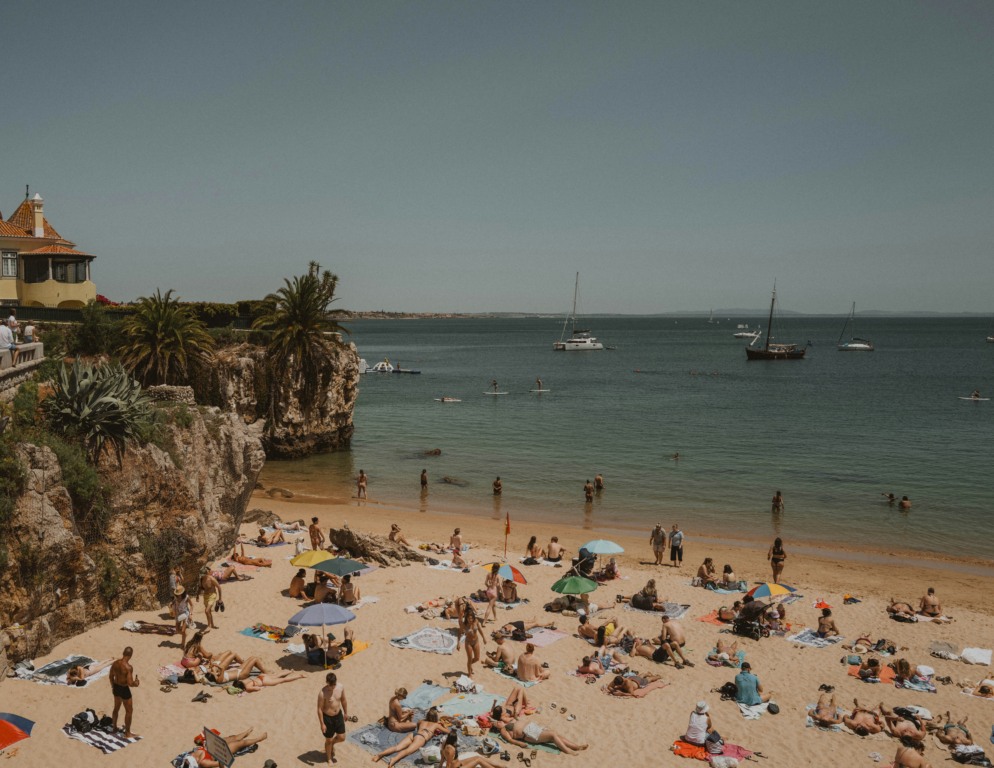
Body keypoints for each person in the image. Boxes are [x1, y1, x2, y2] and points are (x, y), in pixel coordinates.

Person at [375, 708, 448, 767]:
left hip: (414, 734)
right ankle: (394, 759)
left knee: (397, 747)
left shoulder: (421, 721)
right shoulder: (436, 725)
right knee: (407, 751)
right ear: (435, 717)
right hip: (421, 738)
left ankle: (379, 755)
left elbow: (419, 727)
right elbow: (448, 732)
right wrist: (443, 724)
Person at [496, 716, 587, 756]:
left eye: (497, 721)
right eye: (496, 724)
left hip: (533, 728)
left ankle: (575, 746)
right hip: (528, 734)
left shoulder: (508, 720)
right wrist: (520, 744)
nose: (498, 722)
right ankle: (567, 751)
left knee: (556, 734)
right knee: (552, 735)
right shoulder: (503, 730)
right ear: (497, 728)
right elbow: (510, 740)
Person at [187, 728, 268, 767]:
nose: (194, 755)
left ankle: (245, 733)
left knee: (233, 738)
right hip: (218, 752)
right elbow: (220, 764)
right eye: (194, 758)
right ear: (196, 762)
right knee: (240, 743)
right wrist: (222, 759)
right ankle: (259, 739)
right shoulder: (204, 763)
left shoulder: (191, 756)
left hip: (213, 745)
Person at [318, 671, 348, 764]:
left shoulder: (340, 687)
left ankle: (332, 745)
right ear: (327, 683)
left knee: (342, 737)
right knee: (329, 739)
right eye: (331, 685)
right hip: (328, 718)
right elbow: (319, 709)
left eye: (334, 685)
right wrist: (322, 724)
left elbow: (343, 700)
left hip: (338, 715)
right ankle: (329, 758)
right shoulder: (322, 693)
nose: (333, 687)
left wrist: (346, 713)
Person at [110, 647, 139, 738]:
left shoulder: (115, 663)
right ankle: (127, 733)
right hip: (124, 689)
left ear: (123, 653)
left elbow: (111, 676)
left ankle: (114, 728)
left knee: (116, 708)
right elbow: (130, 683)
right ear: (131, 655)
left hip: (116, 687)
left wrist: (113, 686)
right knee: (129, 711)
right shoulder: (128, 667)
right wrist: (136, 683)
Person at [459, 607, 486, 676]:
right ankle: (469, 674)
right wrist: (458, 643)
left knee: (477, 658)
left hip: (476, 641)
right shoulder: (464, 624)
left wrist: (483, 637)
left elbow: (479, 629)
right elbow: (459, 633)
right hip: (468, 642)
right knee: (470, 659)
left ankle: (469, 665)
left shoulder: (476, 621)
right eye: (468, 618)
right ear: (466, 618)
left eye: (471, 618)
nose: (470, 620)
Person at [232, 670, 307, 692]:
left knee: (282, 680)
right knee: (278, 674)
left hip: (264, 681)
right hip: (261, 676)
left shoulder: (247, 687)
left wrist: (260, 688)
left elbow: (257, 688)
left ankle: (300, 676)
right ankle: (290, 671)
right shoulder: (244, 680)